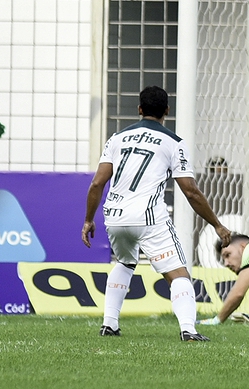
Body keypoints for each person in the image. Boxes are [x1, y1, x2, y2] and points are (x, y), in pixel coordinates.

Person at [82, 85, 231, 341]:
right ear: (167, 111)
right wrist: (217, 224)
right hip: (148, 217)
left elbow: (97, 183)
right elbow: (191, 191)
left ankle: (109, 324)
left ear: (140, 109)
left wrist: (88, 219)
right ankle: (189, 329)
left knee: (125, 262)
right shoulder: (174, 143)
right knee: (178, 274)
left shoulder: (116, 138)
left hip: (115, 215)